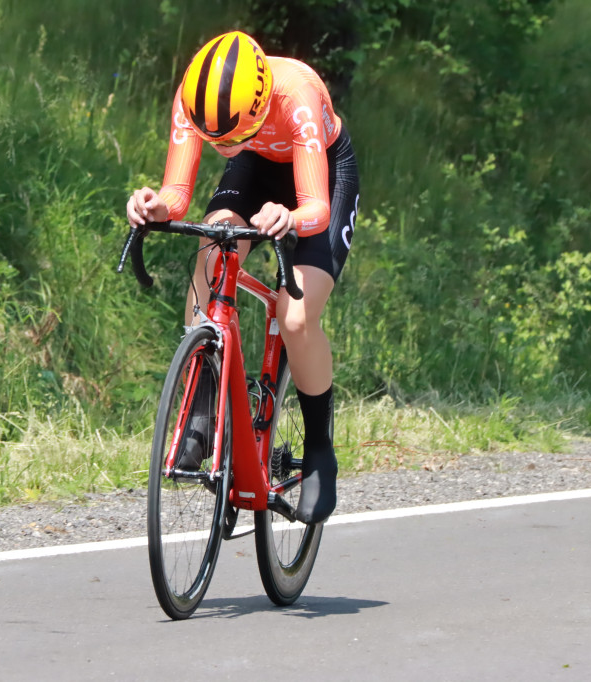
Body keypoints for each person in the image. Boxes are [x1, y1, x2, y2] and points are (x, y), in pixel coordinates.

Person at [125, 31, 359, 525]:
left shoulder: (296, 93)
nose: (222, 148)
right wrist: (152, 205)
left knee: (295, 317)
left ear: (255, 109)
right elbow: (178, 194)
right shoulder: (197, 95)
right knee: (212, 257)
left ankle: (320, 451)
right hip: (256, 165)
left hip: (319, 172)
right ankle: (203, 402)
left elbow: (314, 206)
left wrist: (289, 218)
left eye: (230, 139)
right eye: (217, 143)